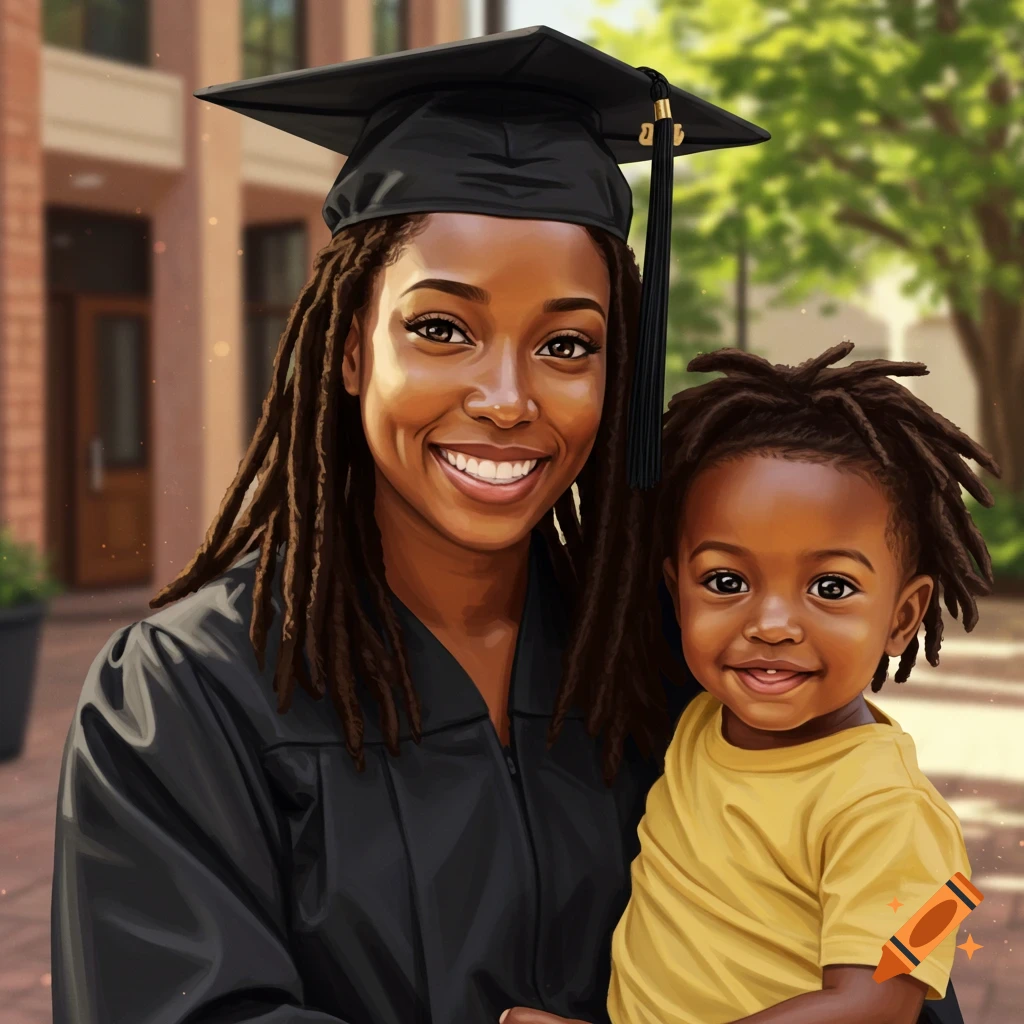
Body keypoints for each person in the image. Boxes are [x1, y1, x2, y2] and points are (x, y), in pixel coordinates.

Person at [50, 27, 766, 1024]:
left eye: (568, 343)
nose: (508, 398)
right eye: (441, 329)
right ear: (349, 349)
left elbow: (877, 965)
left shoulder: (670, 655)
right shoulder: (190, 697)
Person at [605, 344, 993, 1024]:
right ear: (676, 592)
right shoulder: (700, 721)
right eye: (727, 582)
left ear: (903, 618)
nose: (774, 624)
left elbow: (879, 1008)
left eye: (831, 587)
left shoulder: (898, 814)